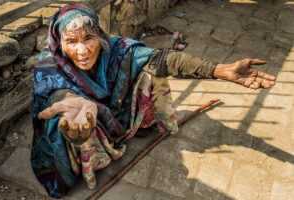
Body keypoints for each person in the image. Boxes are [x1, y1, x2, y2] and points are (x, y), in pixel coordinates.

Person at [31, 4, 276, 198]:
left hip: (115, 114)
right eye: (71, 42)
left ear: (100, 36)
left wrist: (220, 70)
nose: (82, 51)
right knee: (64, 120)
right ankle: (90, 160)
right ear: (59, 44)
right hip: (83, 125)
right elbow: (57, 94)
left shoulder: (117, 49)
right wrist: (74, 102)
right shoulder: (49, 65)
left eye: (88, 38)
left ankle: (142, 126)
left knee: (151, 75)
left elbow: (164, 60)